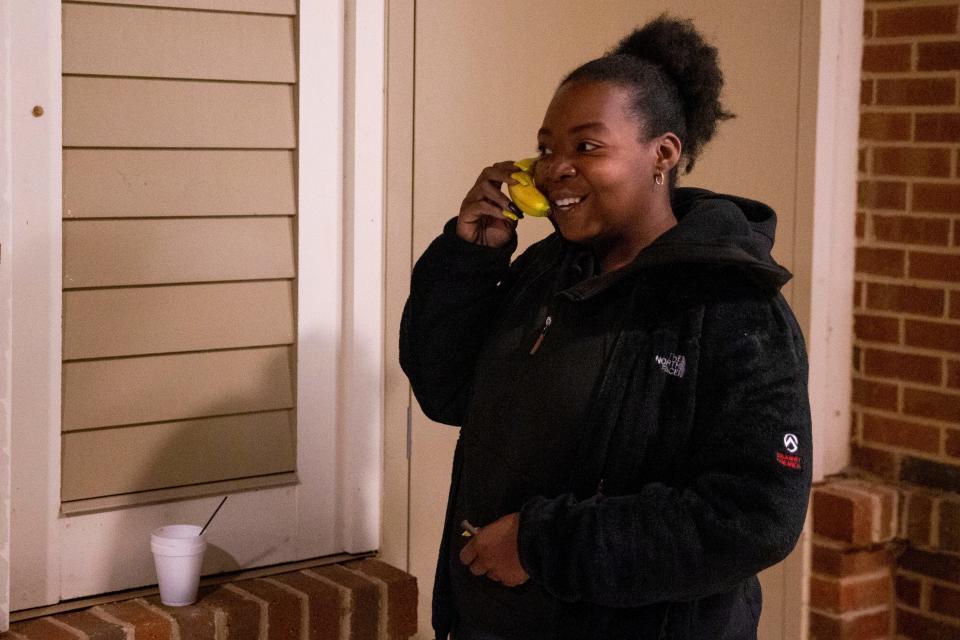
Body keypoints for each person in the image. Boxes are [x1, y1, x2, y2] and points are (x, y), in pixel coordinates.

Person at [400, 14, 811, 640]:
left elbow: (754, 515)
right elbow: (445, 390)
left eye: (586, 147)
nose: (555, 168)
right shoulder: (544, 271)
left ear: (663, 155)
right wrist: (470, 259)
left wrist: (544, 545)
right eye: (546, 148)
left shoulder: (732, 306)